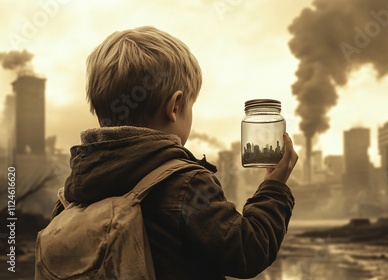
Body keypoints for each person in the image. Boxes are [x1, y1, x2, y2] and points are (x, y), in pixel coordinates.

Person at [52, 26, 298, 279]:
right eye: (190, 106)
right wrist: (274, 187)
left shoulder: (73, 194)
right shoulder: (184, 184)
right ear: (175, 106)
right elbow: (248, 251)